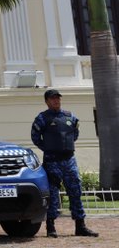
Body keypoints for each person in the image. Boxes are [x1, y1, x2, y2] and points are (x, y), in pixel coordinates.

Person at [31, 88, 98, 238]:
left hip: (69, 160)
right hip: (52, 161)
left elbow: (75, 133)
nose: (56, 100)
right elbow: (35, 138)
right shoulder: (42, 118)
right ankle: (51, 226)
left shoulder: (70, 116)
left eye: (58, 98)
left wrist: (65, 147)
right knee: (53, 194)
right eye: (53, 98)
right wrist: (49, 148)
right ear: (47, 101)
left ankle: (80, 226)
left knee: (75, 191)